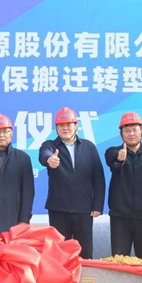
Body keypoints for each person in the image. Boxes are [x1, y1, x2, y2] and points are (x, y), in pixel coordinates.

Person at [38, 107, 105, 259]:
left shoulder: (88, 147)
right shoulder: (50, 146)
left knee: (85, 253)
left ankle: (84, 275)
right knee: (59, 254)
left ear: (76, 125)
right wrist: (49, 160)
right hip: (58, 210)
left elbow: (98, 178)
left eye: (69, 124)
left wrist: (97, 205)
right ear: (56, 128)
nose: (65, 128)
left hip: (84, 209)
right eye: (61, 125)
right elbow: (44, 154)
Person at [104, 112, 142, 262]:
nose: (131, 134)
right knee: (119, 260)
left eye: (134, 130)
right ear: (121, 134)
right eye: (127, 131)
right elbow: (112, 162)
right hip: (120, 217)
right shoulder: (113, 152)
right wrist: (119, 158)